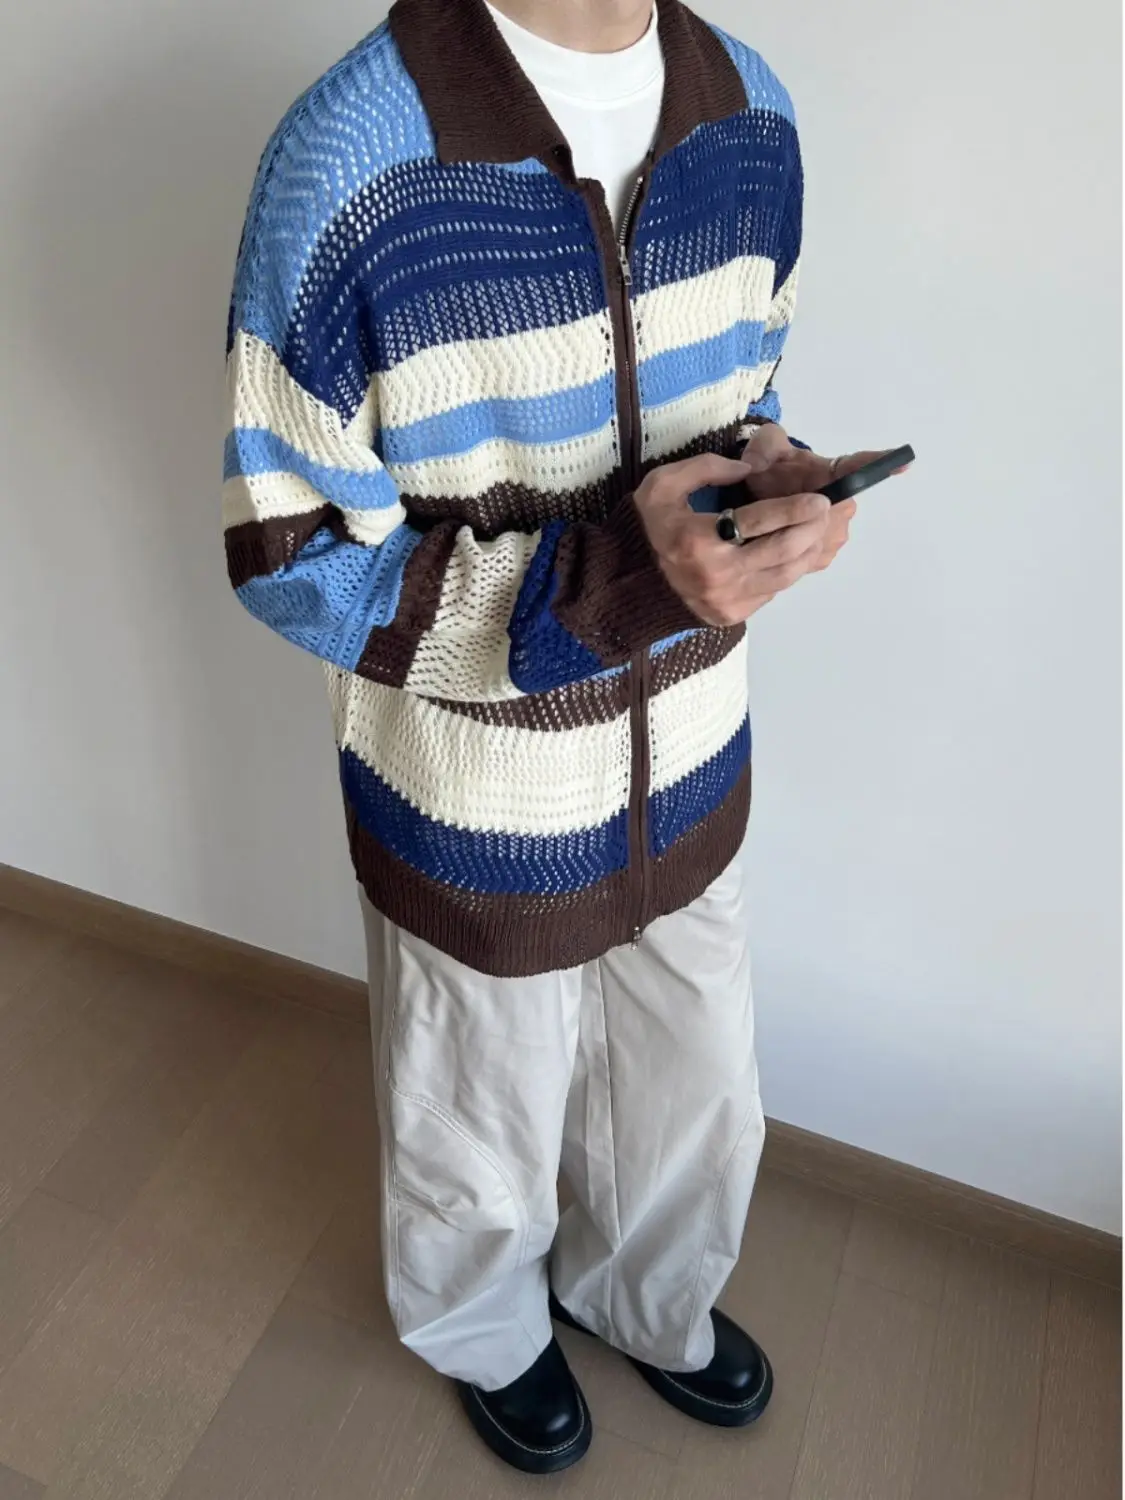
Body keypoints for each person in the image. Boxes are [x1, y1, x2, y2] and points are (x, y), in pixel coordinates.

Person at [223, 0, 873, 1475]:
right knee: (477, 1100)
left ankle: (646, 1296)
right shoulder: (353, 155)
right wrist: (608, 585)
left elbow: (744, 386)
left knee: (695, 1081)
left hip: (692, 744)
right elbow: (291, 554)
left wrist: (772, 474)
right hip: (476, 789)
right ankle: (484, 1330)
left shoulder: (748, 108)